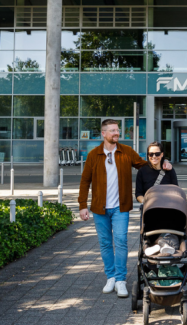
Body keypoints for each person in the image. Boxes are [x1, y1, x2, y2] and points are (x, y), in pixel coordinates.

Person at [78, 119, 172, 298]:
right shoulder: (93, 155)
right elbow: (85, 181)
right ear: (103, 133)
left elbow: (147, 164)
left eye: (117, 130)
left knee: (121, 242)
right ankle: (111, 277)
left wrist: (165, 162)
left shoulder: (126, 152)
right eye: (112, 130)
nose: (116, 133)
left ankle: (120, 280)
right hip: (99, 208)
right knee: (105, 244)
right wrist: (82, 205)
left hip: (120, 208)